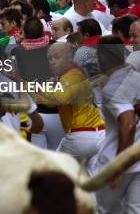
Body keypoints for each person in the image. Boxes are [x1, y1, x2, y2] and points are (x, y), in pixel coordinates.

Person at [38, 43, 104, 174]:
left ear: (69, 57)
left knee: (52, 171)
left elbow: (62, 98)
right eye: (50, 58)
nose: (52, 62)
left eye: (57, 57)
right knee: (89, 179)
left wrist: (35, 87)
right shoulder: (69, 75)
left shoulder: (72, 74)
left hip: (81, 135)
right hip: (99, 134)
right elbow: (53, 103)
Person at [95, 36, 140, 214]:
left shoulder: (113, 87)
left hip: (116, 158)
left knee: (104, 210)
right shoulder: (136, 77)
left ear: (103, 57)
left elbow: (128, 122)